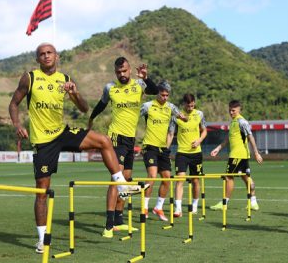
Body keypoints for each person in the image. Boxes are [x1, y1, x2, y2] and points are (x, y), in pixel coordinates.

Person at [9, 43, 144, 253]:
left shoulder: (65, 79)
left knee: (104, 141)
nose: (46, 56)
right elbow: (14, 103)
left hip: (62, 132)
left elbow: (84, 108)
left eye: (49, 53)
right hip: (43, 141)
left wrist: (74, 93)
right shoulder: (30, 77)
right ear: (37, 59)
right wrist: (17, 124)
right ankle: (42, 239)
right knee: (42, 192)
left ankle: (121, 185)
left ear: (57, 56)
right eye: (42, 54)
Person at [88, 57, 157, 238]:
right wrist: (91, 118)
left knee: (125, 180)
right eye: (118, 72)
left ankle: (119, 220)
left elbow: (156, 91)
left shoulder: (139, 85)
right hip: (115, 138)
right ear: (115, 72)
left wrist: (146, 77)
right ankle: (108, 225)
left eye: (124, 71)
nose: (122, 74)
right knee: (116, 180)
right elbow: (101, 105)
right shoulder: (110, 88)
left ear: (129, 69)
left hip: (130, 139)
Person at [141, 81, 186, 221]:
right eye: (163, 95)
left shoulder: (171, 107)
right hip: (149, 146)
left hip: (163, 149)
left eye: (167, 95)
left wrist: (184, 118)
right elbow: (134, 115)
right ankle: (144, 207)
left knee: (167, 179)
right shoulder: (147, 106)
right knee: (152, 176)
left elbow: (181, 116)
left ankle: (158, 208)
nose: (165, 97)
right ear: (157, 93)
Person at [209, 100, 263, 211]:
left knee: (229, 177)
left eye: (233, 110)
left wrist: (256, 153)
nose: (231, 112)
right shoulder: (233, 122)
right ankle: (253, 202)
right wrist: (218, 148)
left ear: (239, 109)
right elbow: (229, 138)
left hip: (237, 155)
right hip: (241, 155)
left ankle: (224, 203)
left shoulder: (242, 122)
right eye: (229, 110)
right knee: (245, 177)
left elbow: (250, 137)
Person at [167, 94, 207, 217]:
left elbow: (204, 130)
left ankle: (194, 205)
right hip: (182, 153)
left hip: (196, 154)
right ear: (183, 104)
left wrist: (199, 141)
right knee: (180, 179)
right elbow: (170, 133)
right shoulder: (176, 116)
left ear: (194, 103)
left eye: (192, 105)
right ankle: (178, 209)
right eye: (188, 105)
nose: (190, 108)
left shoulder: (199, 114)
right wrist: (165, 150)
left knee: (195, 181)